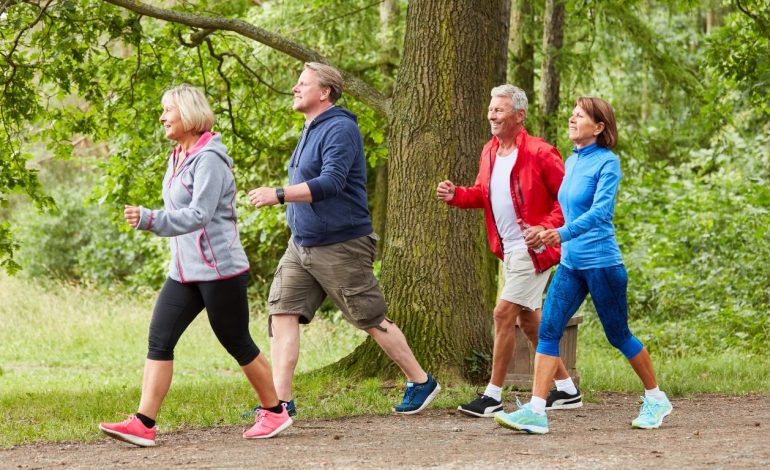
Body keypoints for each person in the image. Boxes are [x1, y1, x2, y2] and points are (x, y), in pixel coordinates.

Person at [98, 85, 292, 447]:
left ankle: (276, 412)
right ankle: (144, 423)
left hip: (220, 270)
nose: (162, 117)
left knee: (236, 341)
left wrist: (150, 219)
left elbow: (199, 214)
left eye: (167, 110)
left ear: (187, 114)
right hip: (184, 272)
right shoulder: (178, 155)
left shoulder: (210, 160)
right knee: (160, 338)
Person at [247, 62, 440, 416]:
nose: (294, 88)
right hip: (301, 244)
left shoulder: (339, 128)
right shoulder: (310, 127)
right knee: (282, 313)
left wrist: (279, 193)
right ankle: (279, 405)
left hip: (340, 244)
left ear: (325, 92)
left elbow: (332, 182)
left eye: (302, 83)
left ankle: (420, 380)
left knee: (369, 318)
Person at [495, 97, 673, 434]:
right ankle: (536, 410)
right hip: (571, 264)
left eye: (581, 115)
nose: (573, 118)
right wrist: (544, 231)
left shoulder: (608, 163)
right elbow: (565, 209)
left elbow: (601, 213)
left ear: (600, 127)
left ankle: (656, 397)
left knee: (618, 334)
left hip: (602, 264)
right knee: (548, 329)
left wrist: (559, 234)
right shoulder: (573, 161)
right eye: (573, 114)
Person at [436, 85, 581, 418]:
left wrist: (547, 230)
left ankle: (493, 395)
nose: (491, 115)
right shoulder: (489, 151)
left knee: (502, 314)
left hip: (535, 251)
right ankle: (568, 390)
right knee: (529, 323)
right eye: (491, 109)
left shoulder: (541, 152)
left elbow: (569, 200)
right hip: (509, 251)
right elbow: (482, 194)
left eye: (499, 110)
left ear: (519, 115)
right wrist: (456, 194)